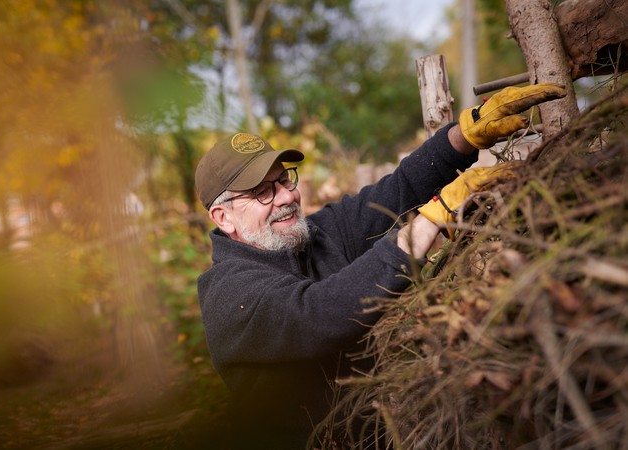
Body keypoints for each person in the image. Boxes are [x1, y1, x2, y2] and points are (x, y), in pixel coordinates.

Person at [194, 83, 566, 449]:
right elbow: (320, 313)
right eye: (262, 192)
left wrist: (463, 136)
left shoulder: (313, 235)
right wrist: (430, 221)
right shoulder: (229, 294)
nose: (287, 197)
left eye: (284, 180)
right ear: (223, 217)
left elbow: (396, 191)